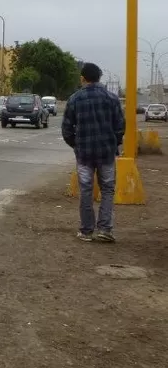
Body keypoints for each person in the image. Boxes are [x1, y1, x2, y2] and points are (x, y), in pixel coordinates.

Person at [62, 62, 125, 242]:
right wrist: (114, 143)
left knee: (86, 190)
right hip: (106, 153)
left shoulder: (74, 99)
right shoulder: (112, 98)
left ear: (83, 78)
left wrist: (77, 145)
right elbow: (120, 126)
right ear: (99, 77)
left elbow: (66, 129)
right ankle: (105, 230)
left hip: (84, 155)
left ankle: (86, 231)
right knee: (107, 189)